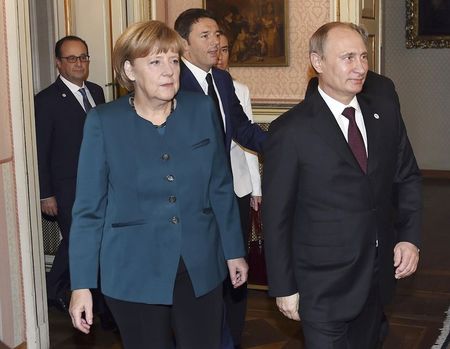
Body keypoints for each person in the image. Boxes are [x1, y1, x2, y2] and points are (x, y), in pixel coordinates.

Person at [68, 20, 248, 349]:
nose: (168, 71)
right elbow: (88, 211)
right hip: (133, 270)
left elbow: (219, 186)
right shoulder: (103, 123)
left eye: (174, 61)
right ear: (129, 70)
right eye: (155, 61)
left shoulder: (201, 110)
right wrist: (81, 284)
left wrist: (234, 250)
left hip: (201, 265)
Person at [262, 22, 422, 349]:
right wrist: (283, 287)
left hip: (376, 278)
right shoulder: (290, 131)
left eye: (363, 57)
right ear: (318, 63)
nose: (360, 68)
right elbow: (276, 216)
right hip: (321, 285)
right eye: (348, 58)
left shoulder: (385, 114)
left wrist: (409, 237)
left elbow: (406, 177)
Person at [35, 35, 105, 313]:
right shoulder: (46, 100)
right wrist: (45, 193)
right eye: (72, 58)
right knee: (79, 237)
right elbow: (41, 151)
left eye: (83, 57)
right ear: (58, 63)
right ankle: (55, 289)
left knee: (92, 237)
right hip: (66, 187)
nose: (79, 63)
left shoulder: (97, 92)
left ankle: (88, 292)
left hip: (99, 182)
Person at [216, 33, 262, 349]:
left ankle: (235, 327)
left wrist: (257, 190)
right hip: (208, 193)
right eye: (213, 49)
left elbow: (247, 144)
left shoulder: (239, 90)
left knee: (238, 259)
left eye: (225, 49)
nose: (219, 55)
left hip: (239, 189)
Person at [174, 8, 266, 154]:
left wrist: (284, 145)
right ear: (184, 44)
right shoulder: (173, 83)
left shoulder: (222, 79)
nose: (215, 42)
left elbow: (242, 129)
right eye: (205, 36)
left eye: (217, 35)